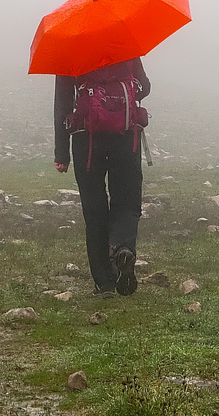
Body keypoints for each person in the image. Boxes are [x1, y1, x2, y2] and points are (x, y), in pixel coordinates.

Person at [54, 57, 150, 296]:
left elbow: (63, 103)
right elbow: (144, 87)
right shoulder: (125, 45)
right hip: (127, 136)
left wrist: (61, 153)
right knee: (127, 201)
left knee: (95, 208)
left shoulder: (72, 49)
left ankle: (105, 282)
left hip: (86, 140)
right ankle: (123, 249)